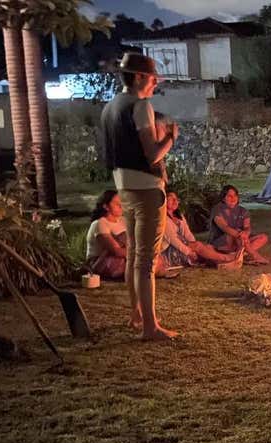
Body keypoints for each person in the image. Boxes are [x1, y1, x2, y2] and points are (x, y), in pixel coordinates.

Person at [100, 52, 178, 340]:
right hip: (146, 189)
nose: (156, 81)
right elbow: (152, 153)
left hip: (124, 187)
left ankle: (137, 315)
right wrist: (170, 137)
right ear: (139, 77)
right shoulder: (141, 105)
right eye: (153, 76)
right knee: (146, 260)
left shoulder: (111, 107)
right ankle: (150, 327)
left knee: (134, 254)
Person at [161, 190, 243, 269]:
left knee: (207, 247)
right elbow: (173, 240)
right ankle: (227, 258)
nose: (175, 201)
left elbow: (188, 234)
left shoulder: (179, 216)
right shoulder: (162, 218)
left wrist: (194, 247)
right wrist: (189, 252)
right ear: (164, 200)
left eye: (176, 199)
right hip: (170, 251)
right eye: (171, 199)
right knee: (199, 247)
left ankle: (223, 263)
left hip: (182, 246)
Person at [208, 185, 269, 264]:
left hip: (241, 242)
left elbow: (247, 227)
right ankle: (255, 255)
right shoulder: (217, 210)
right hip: (223, 242)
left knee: (263, 237)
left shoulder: (243, 211)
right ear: (223, 198)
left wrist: (245, 233)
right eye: (229, 196)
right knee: (234, 234)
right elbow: (224, 227)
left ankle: (238, 255)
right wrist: (240, 234)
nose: (233, 199)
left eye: (235, 196)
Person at [85, 190, 127, 279]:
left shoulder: (123, 221)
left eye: (121, 203)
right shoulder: (100, 223)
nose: (121, 206)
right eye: (116, 203)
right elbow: (116, 251)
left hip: (125, 256)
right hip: (101, 261)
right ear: (106, 206)